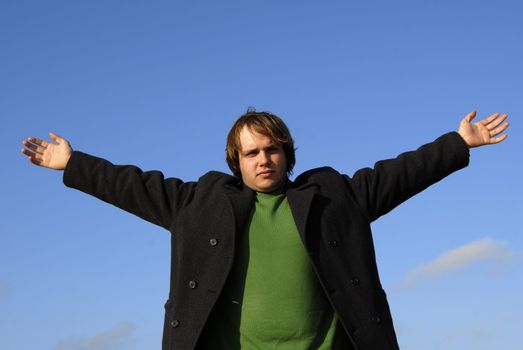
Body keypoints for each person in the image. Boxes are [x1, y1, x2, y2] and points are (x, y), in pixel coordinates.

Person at [21, 110, 509, 350]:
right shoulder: (200, 204)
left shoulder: (333, 196)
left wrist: (458, 142)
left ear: (287, 153)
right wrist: (72, 163)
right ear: (236, 161)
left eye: (272, 149)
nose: (263, 159)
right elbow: (131, 186)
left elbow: (399, 174)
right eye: (251, 153)